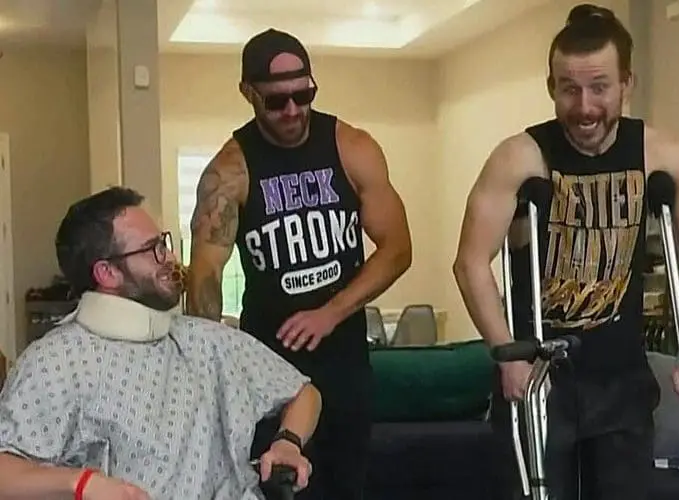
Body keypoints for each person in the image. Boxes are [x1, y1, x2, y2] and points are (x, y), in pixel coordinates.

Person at [452, 4, 679, 499]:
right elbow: (470, 263)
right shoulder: (519, 158)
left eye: (599, 87)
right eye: (569, 89)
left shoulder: (662, 156)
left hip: (622, 382)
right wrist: (506, 355)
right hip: (539, 378)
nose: (585, 107)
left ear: (626, 84)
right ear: (551, 86)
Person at [185, 28, 412, 500]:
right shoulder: (228, 173)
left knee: (347, 487)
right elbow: (204, 278)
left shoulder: (352, 148)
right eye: (276, 101)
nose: (292, 110)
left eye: (303, 95)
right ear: (248, 93)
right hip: (271, 372)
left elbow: (397, 249)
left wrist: (331, 312)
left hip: (346, 365)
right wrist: (211, 374)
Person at [0, 187, 322, 500]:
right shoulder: (56, 362)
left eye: (163, 243)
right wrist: (82, 484)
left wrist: (288, 442)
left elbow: (303, 392)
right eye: (152, 249)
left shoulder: (208, 340)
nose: (170, 258)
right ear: (107, 272)